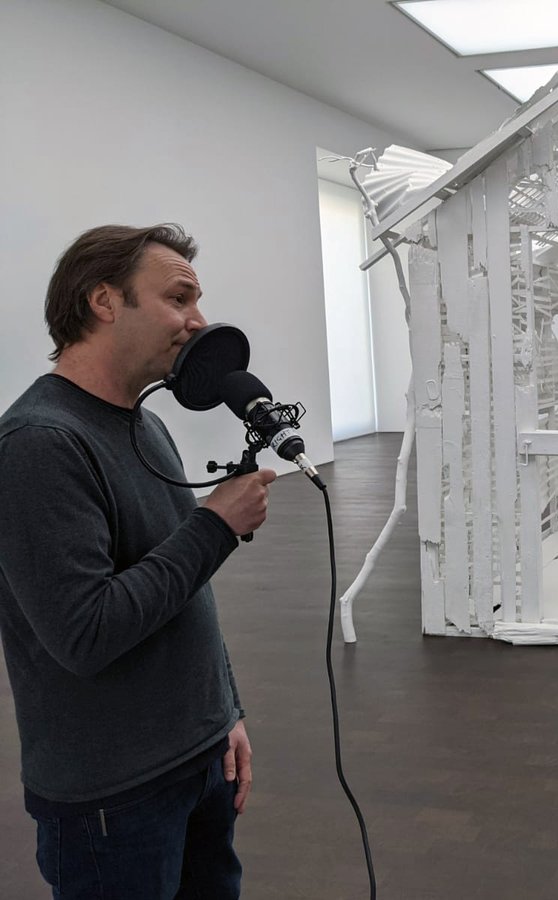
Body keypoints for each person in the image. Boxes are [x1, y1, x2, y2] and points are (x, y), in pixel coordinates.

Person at [0, 224, 276, 898]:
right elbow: (86, 632)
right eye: (179, 297)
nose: (198, 320)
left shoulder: (143, 424)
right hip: (113, 801)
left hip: (198, 762)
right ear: (103, 301)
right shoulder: (40, 444)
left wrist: (224, 711)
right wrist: (214, 523)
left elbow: (184, 589)